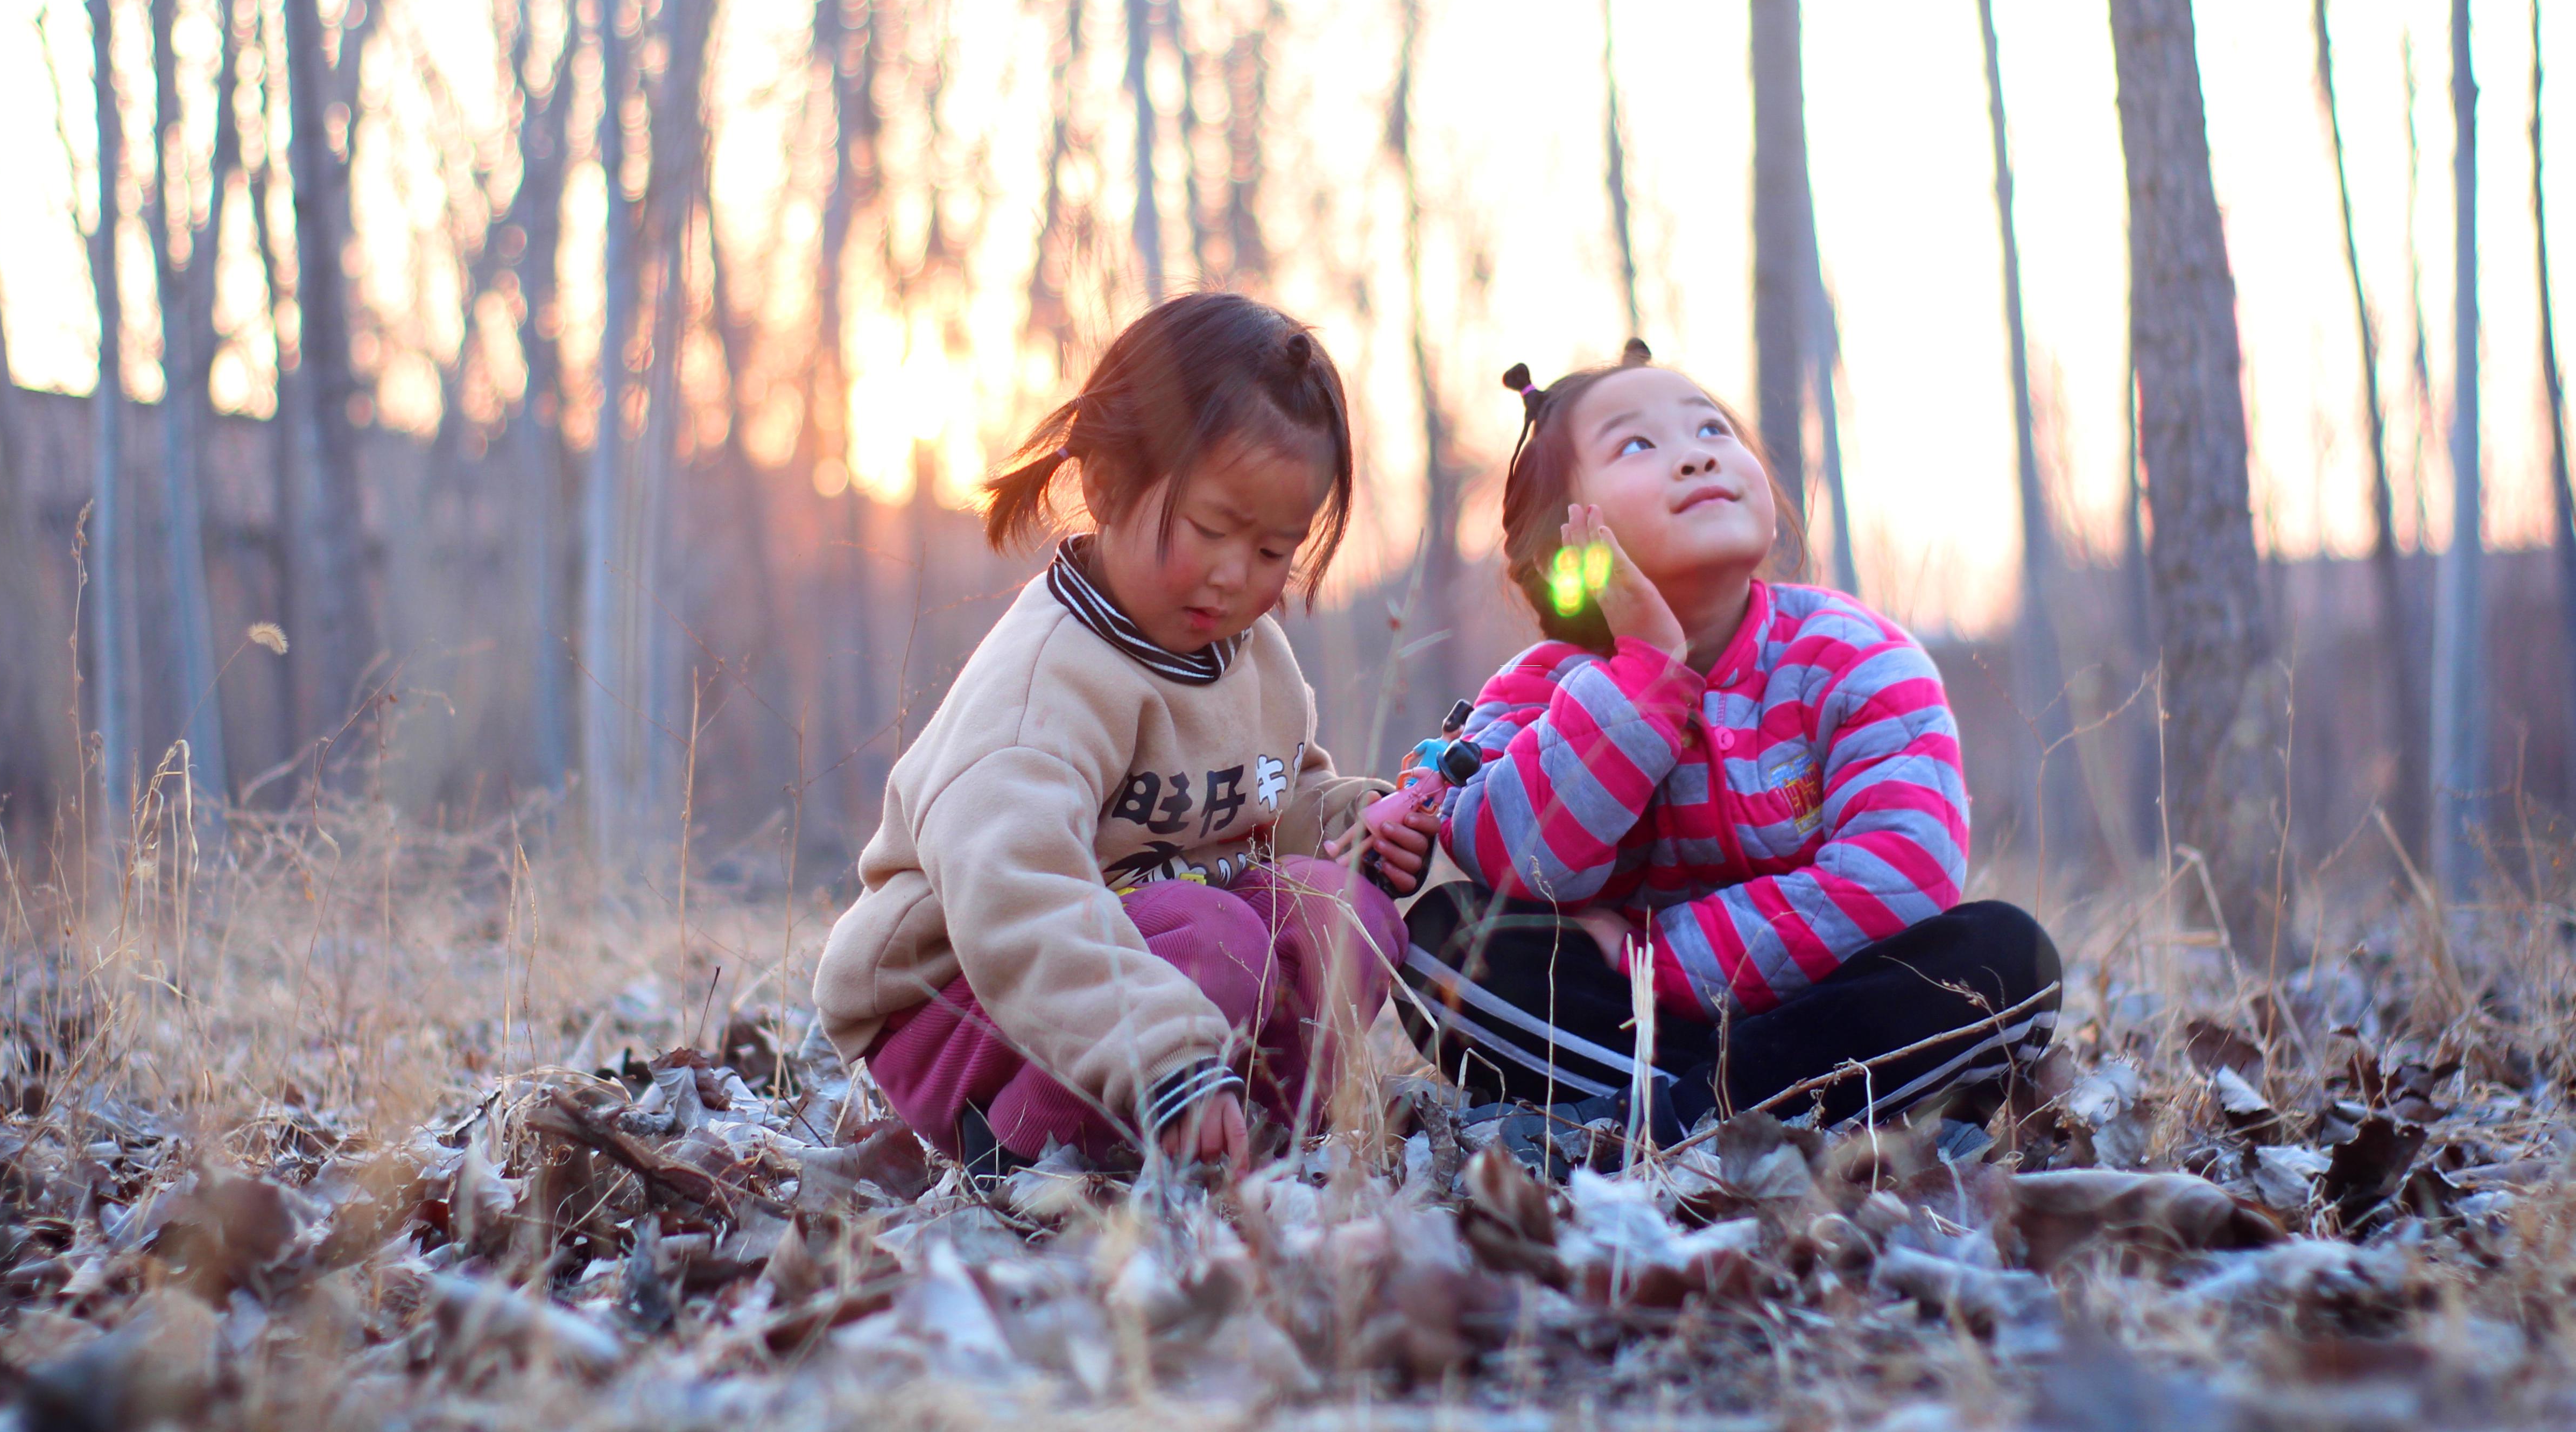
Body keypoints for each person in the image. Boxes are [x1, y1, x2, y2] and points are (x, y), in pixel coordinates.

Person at [1343, 340, 2060, 1146]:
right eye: (1637, 446)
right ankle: (1773, 1117)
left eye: (1714, 432)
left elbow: (1902, 874)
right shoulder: (1539, 687)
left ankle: (1667, 1122)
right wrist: (1642, 673)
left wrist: (1655, 953)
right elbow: (1526, 862)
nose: (1695, 459)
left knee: (2006, 957)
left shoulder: (1855, 655)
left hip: (1838, 1010)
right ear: (1564, 547)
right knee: (1453, 944)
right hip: (1640, 1030)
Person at [815, 292, 1402, 1175]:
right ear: (1107, 484)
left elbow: (1275, 797)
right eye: (1210, 529)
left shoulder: (1249, 652)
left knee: (1339, 914)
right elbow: (1013, 892)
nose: (1236, 576)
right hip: (969, 997)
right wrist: (1155, 1047)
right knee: (1214, 937)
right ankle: (1027, 1152)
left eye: (1277, 550)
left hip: (1158, 973)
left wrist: (1358, 823)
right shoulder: (1043, 685)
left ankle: (1249, 1142)